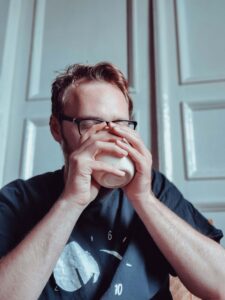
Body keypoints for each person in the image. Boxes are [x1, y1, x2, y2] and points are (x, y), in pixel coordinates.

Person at [0, 62, 225, 300]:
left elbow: (220, 285)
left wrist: (144, 200)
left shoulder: (153, 188)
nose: (109, 137)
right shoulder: (19, 199)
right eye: (91, 124)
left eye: (120, 125)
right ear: (57, 129)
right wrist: (71, 201)